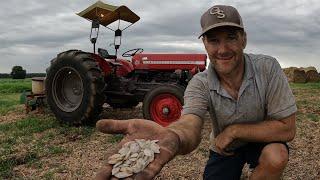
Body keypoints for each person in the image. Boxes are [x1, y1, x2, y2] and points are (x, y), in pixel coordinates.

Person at [95, 4, 297, 180]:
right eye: (214, 40)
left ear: (244, 39)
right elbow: (190, 121)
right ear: (205, 44)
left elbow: (287, 129)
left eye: (231, 38)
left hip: (259, 140)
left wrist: (234, 131)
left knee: (276, 155)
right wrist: (173, 135)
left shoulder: (267, 68)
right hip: (223, 147)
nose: (223, 49)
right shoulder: (200, 83)